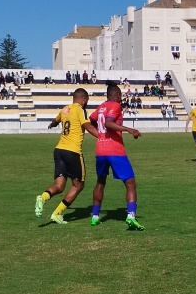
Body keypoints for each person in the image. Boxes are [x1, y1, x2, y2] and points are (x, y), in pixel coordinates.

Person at [35, 88, 99, 224]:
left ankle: (43, 197)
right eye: (87, 100)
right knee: (78, 185)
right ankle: (57, 213)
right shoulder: (80, 109)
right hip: (72, 151)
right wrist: (103, 137)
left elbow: (56, 120)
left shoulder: (65, 109)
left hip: (59, 150)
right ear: (84, 99)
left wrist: (52, 124)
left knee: (59, 185)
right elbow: (87, 126)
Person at [89, 83, 144, 230]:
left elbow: (91, 120)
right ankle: (131, 216)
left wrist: (99, 135)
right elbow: (108, 123)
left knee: (100, 182)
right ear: (118, 95)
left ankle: (95, 217)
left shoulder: (101, 107)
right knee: (130, 183)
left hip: (100, 150)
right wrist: (129, 129)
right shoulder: (116, 105)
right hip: (114, 150)